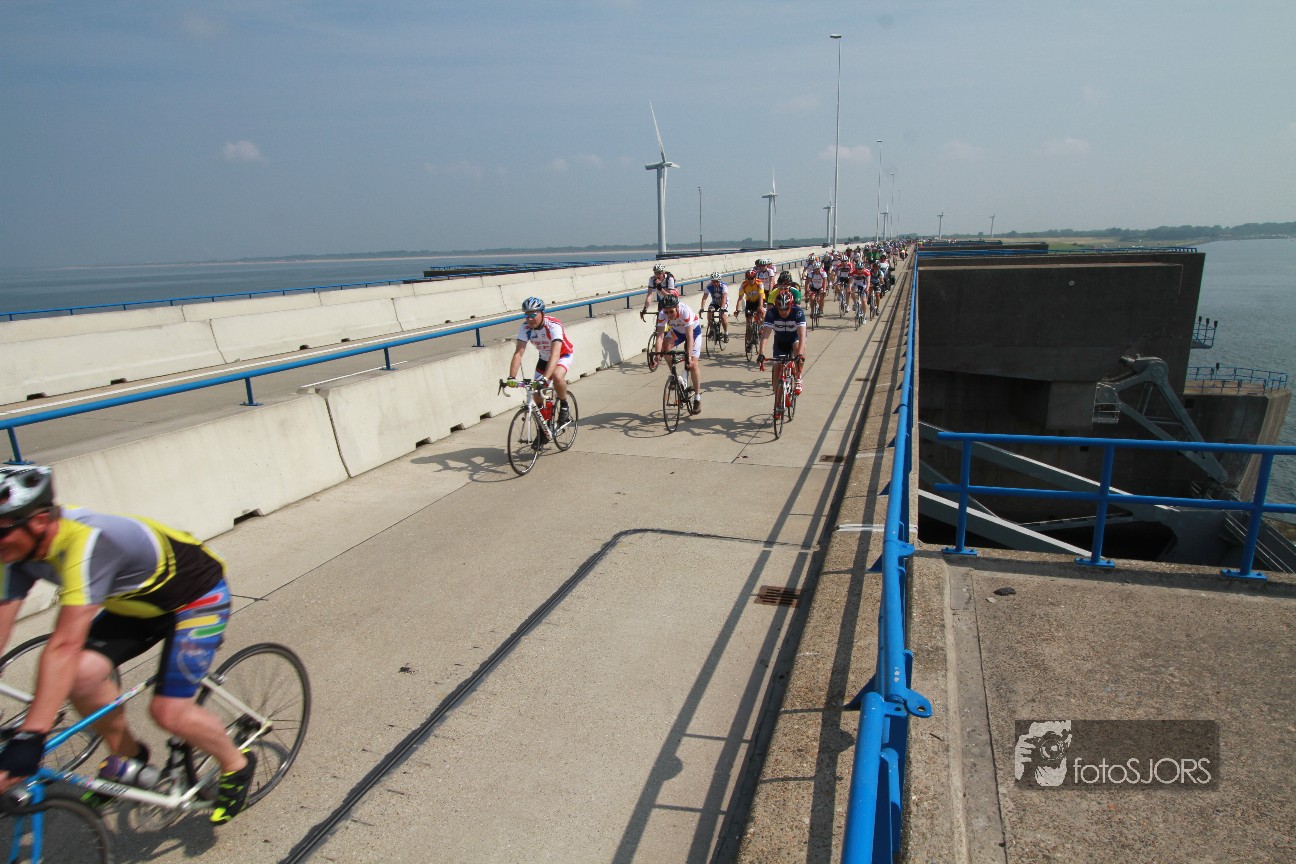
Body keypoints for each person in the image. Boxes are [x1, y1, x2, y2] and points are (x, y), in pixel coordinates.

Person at [0, 465, 256, 824]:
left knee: (169, 712)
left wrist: (31, 736)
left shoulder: (88, 542)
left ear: (39, 521)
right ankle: (129, 758)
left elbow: (63, 646)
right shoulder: (15, 554)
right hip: (136, 604)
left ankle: (236, 764)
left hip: (196, 597)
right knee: (80, 677)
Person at [505, 297, 575, 438]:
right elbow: (519, 353)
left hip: (562, 356)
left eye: (533, 314)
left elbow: (555, 354)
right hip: (544, 359)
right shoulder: (525, 328)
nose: (529, 319)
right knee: (537, 395)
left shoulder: (553, 325)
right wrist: (511, 377)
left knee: (557, 376)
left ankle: (564, 404)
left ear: (542, 313)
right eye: (526, 315)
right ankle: (545, 428)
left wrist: (544, 378)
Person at [757, 289, 809, 406]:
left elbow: (802, 336)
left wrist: (800, 355)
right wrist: (761, 353)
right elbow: (765, 335)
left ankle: (798, 378)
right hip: (780, 341)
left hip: (795, 338)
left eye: (786, 309)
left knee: (798, 349)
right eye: (780, 309)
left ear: (791, 306)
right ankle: (778, 404)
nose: (783, 312)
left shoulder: (798, 312)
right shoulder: (772, 313)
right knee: (776, 370)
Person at [653, 293, 703, 414]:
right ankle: (674, 375)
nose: (669, 315)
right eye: (667, 312)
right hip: (677, 332)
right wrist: (657, 355)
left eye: (672, 312)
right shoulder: (662, 314)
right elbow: (660, 336)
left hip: (693, 332)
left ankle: (697, 397)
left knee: (693, 365)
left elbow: (690, 337)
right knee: (665, 348)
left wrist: (689, 357)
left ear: (677, 307)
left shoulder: (685, 312)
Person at [734, 269, 766, 335]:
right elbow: (740, 299)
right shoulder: (743, 285)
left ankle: (761, 326)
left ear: (755, 277)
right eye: (748, 278)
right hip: (749, 301)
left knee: (761, 312)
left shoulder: (759, 283)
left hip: (759, 300)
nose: (750, 280)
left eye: (752, 278)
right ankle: (748, 334)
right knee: (748, 317)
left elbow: (761, 296)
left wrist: (760, 306)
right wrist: (737, 309)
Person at [699, 272, 730, 342]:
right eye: (713, 281)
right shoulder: (709, 286)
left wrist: (722, 308)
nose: (715, 283)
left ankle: (726, 333)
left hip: (724, 302)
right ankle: (711, 329)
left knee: (723, 317)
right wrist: (702, 308)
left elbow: (724, 298)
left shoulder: (723, 286)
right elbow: (704, 298)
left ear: (719, 281)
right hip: (715, 302)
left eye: (717, 282)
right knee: (710, 311)